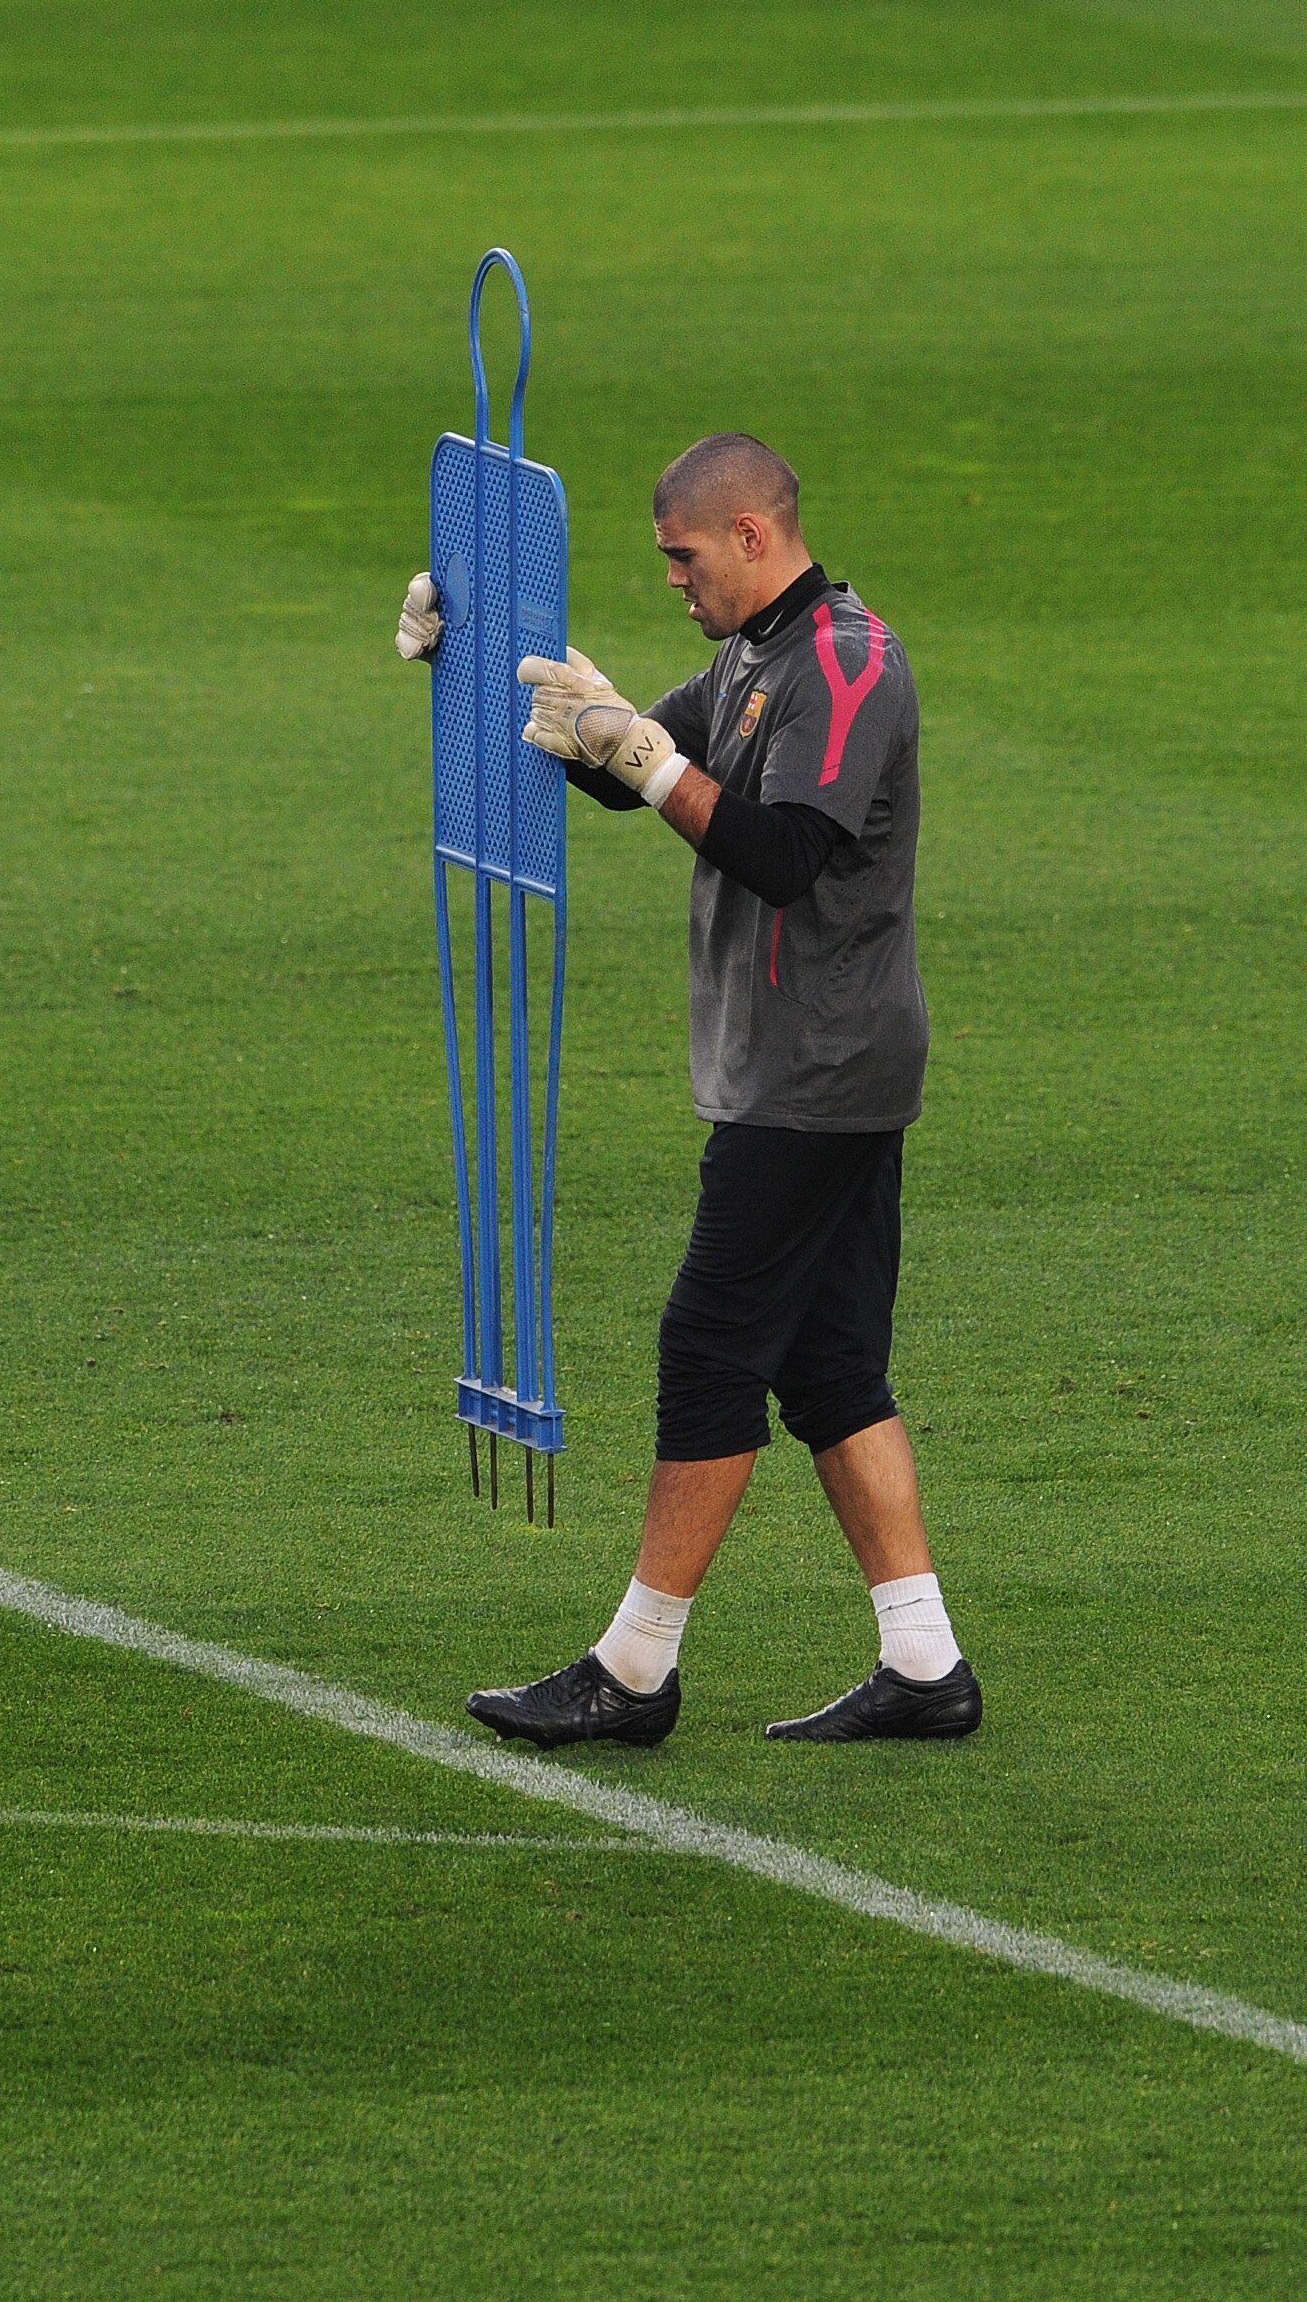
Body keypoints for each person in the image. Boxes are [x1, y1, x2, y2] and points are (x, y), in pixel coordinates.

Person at [395, 432, 979, 1745]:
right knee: (830, 1365)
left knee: (709, 1347)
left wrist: (649, 760)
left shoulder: (843, 664)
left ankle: (635, 1667)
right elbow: (626, 767)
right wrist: (480, 663)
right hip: (802, 1061)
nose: (673, 579)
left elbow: (779, 853)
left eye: (683, 556)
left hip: (816, 1071)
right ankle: (927, 1661)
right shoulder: (757, 656)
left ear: (754, 537)